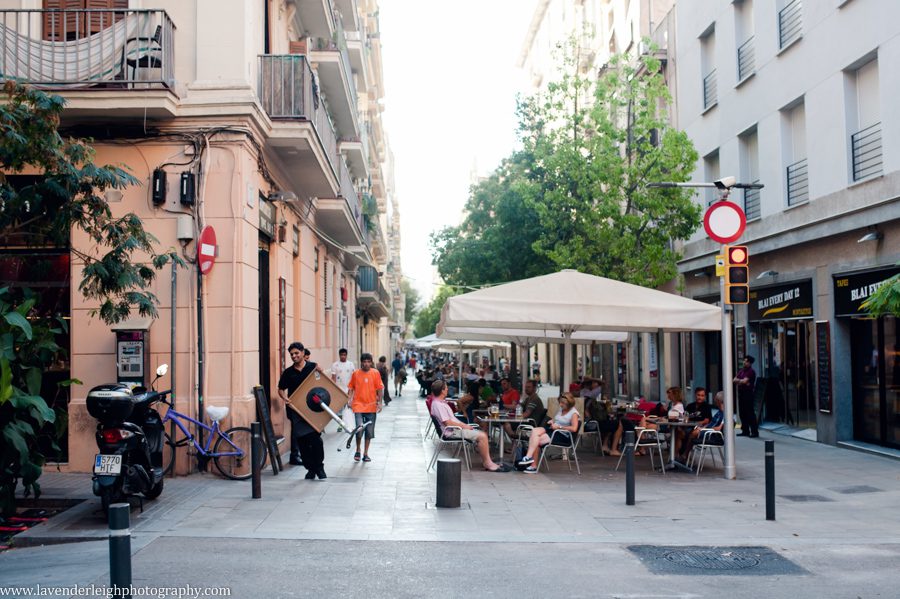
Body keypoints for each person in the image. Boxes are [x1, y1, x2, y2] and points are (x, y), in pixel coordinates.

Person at [429, 380, 509, 472]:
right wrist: (464, 426)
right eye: (446, 387)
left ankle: (487, 460)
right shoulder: (438, 405)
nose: (447, 389)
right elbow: (448, 423)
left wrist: (464, 425)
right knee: (482, 436)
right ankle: (488, 463)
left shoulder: (440, 403)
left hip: (455, 430)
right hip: (452, 432)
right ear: (442, 391)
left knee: (482, 433)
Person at [277, 342, 327, 479]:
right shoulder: (288, 372)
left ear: (303, 353)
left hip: (313, 410)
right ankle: (310, 469)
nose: (294, 356)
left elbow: (323, 382)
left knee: (317, 441)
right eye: (291, 354)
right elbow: (280, 389)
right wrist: (285, 398)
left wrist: (321, 372)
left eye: (296, 353)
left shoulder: (312, 367)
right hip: (296, 412)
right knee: (303, 443)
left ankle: (319, 467)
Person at [517, 393, 581, 473]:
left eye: (563, 403)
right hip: (553, 429)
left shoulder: (573, 413)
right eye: (560, 402)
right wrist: (552, 421)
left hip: (562, 434)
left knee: (536, 440)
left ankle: (533, 465)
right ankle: (529, 458)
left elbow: (574, 429)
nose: (560, 404)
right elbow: (557, 420)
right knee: (534, 431)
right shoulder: (562, 409)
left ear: (569, 403)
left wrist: (559, 427)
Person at [347, 353, 384, 463]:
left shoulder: (375, 373)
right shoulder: (356, 374)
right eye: (364, 361)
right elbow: (351, 387)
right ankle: (358, 450)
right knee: (359, 429)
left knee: (369, 432)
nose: (366, 364)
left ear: (371, 362)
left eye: (368, 361)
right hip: (358, 405)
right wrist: (349, 399)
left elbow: (380, 388)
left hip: (371, 406)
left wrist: (380, 403)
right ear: (361, 362)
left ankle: (366, 453)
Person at [680, 391, 727, 462]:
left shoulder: (725, 413)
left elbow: (718, 428)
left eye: (716, 399)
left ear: (718, 401)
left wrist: (704, 429)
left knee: (692, 433)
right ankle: (685, 455)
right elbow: (711, 423)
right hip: (707, 431)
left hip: (712, 435)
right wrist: (703, 428)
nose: (715, 401)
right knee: (685, 433)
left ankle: (685, 455)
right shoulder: (719, 412)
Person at [331, 348, 356, 432]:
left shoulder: (351, 364)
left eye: (344, 355)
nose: (343, 356)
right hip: (339, 390)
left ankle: (348, 425)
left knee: (348, 409)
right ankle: (340, 425)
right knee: (339, 409)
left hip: (348, 390)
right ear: (339, 355)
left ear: (346, 355)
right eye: (341, 355)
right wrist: (334, 390)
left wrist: (353, 389)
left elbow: (353, 378)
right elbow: (333, 379)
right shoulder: (335, 365)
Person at [734, 356, 759, 437]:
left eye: (746, 361)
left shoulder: (751, 371)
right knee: (742, 413)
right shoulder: (742, 371)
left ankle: (754, 432)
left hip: (748, 394)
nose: (744, 362)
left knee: (750, 413)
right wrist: (741, 381)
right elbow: (734, 380)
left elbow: (745, 381)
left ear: (750, 363)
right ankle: (745, 430)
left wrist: (741, 381)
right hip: (741, 394)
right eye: (744, 361)